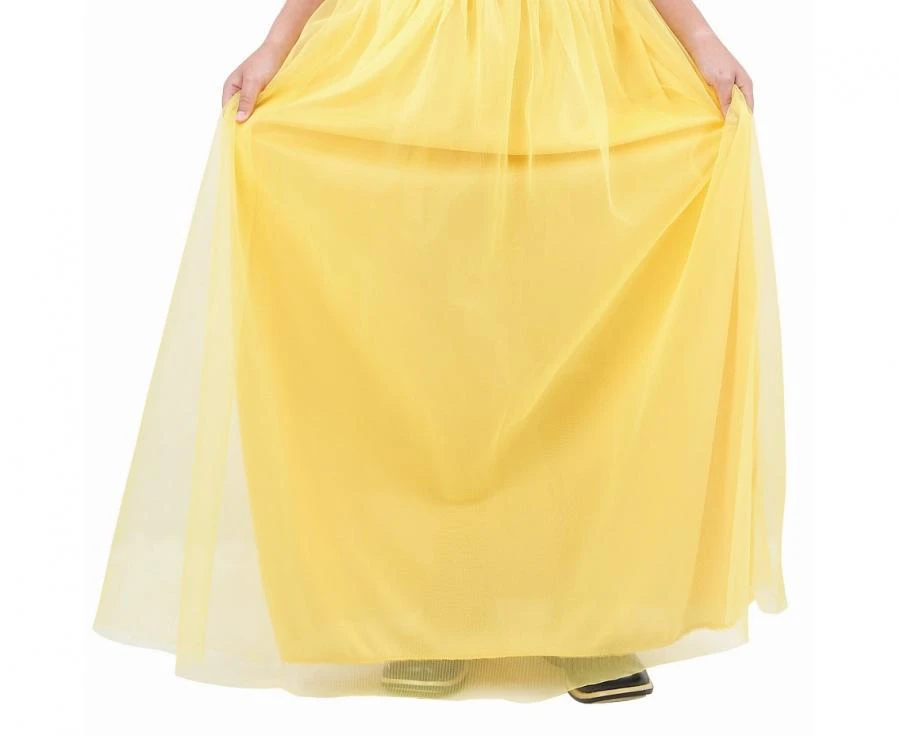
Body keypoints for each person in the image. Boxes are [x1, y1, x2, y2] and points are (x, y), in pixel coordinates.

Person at [93, 0, 787, 703]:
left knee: (574, 336)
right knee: (431, 348)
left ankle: (583, 611)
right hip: (416, 61)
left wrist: (699, 35)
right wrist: (278, 43)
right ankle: (428, 613)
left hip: (579, 66)